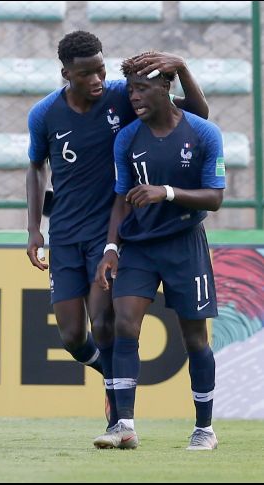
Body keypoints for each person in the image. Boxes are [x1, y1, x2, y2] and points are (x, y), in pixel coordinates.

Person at [25, 30, 210, 440]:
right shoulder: (43, 114)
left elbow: (195, 113)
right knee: (73, 336)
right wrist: (34, 229)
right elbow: (36, 167)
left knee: (106, 322)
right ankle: (109, 374)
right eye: (87, 74)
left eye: (101, 70)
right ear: (65, 74)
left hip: (109, 232)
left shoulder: (121, 97)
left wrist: (180, 66)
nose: (97, 80)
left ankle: (118, 418)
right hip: (65, 232)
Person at [93, 53, 225, 451]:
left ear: (166, 88)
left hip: (185, 245)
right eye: (131, 89)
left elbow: (215, 199)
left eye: (143, 88)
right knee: (125, 325)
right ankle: (124, 426)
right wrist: (111, 246)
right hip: (139, 246)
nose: (134, 96)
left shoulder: (203, 133)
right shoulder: (127, 138)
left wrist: (165, 192)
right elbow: (120, 199)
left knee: (195, 339)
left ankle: (204, 429)